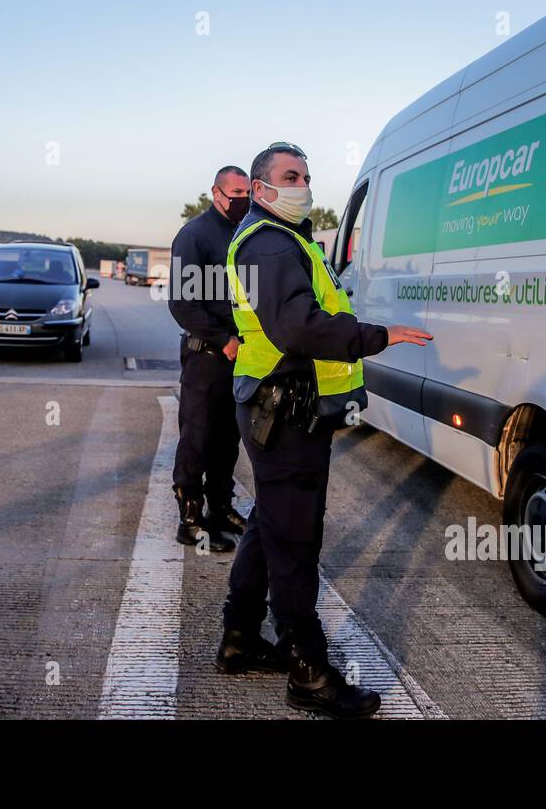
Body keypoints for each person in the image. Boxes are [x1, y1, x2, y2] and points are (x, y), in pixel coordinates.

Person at [216, 142, 433, 719]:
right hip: (282, 410)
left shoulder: (285, 240)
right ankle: (308, 672)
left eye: (307, 175)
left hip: (277, 404)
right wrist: (374, 336)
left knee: (270, 524)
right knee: (294, 542)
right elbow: (297, 327)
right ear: (261, 188)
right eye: (290, 176)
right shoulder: (268, 244)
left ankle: (238, 638)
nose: (303, 184)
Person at [168, 165, 251, 553]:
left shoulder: (244, 233)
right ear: (215, 193)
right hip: (207, 357)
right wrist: (224, 340)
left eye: (246, 193)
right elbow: (183, 304)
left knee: (227, 439)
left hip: (242, 356)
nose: (241, 200)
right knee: (198, 438)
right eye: (234, 193)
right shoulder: (194, 236)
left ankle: (221, 508)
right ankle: (191, 518)